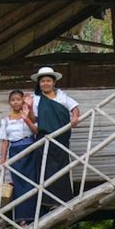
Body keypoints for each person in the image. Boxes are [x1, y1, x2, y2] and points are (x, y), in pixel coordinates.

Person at [25, 67, 79, 209]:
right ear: (39, 83)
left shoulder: (62, 96)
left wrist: (75, 118)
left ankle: (63, 200)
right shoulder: (35, 99)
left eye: (48, 80)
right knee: (46, 168)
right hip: (45, 137)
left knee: (62, 166)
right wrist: (29, 107)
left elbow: (74, 107)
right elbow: (33, 118)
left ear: (54, 82)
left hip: (61, 137)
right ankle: (49, 202)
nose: (45, 83)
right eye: (42, 81)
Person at [0, 89, 38, 225]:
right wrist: (3, 159)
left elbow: (36, 131)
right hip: (15, 152)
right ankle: (22, 217)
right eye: (13, 100)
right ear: (9, 102)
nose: (15, 102)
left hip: (30, 150)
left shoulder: (29, 115)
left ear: (23, 101)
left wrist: (26, 118)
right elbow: (5, 141)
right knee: (19, 183)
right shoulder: (6, 121)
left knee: (32, 181)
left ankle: (35, 215)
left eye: (18, 99)